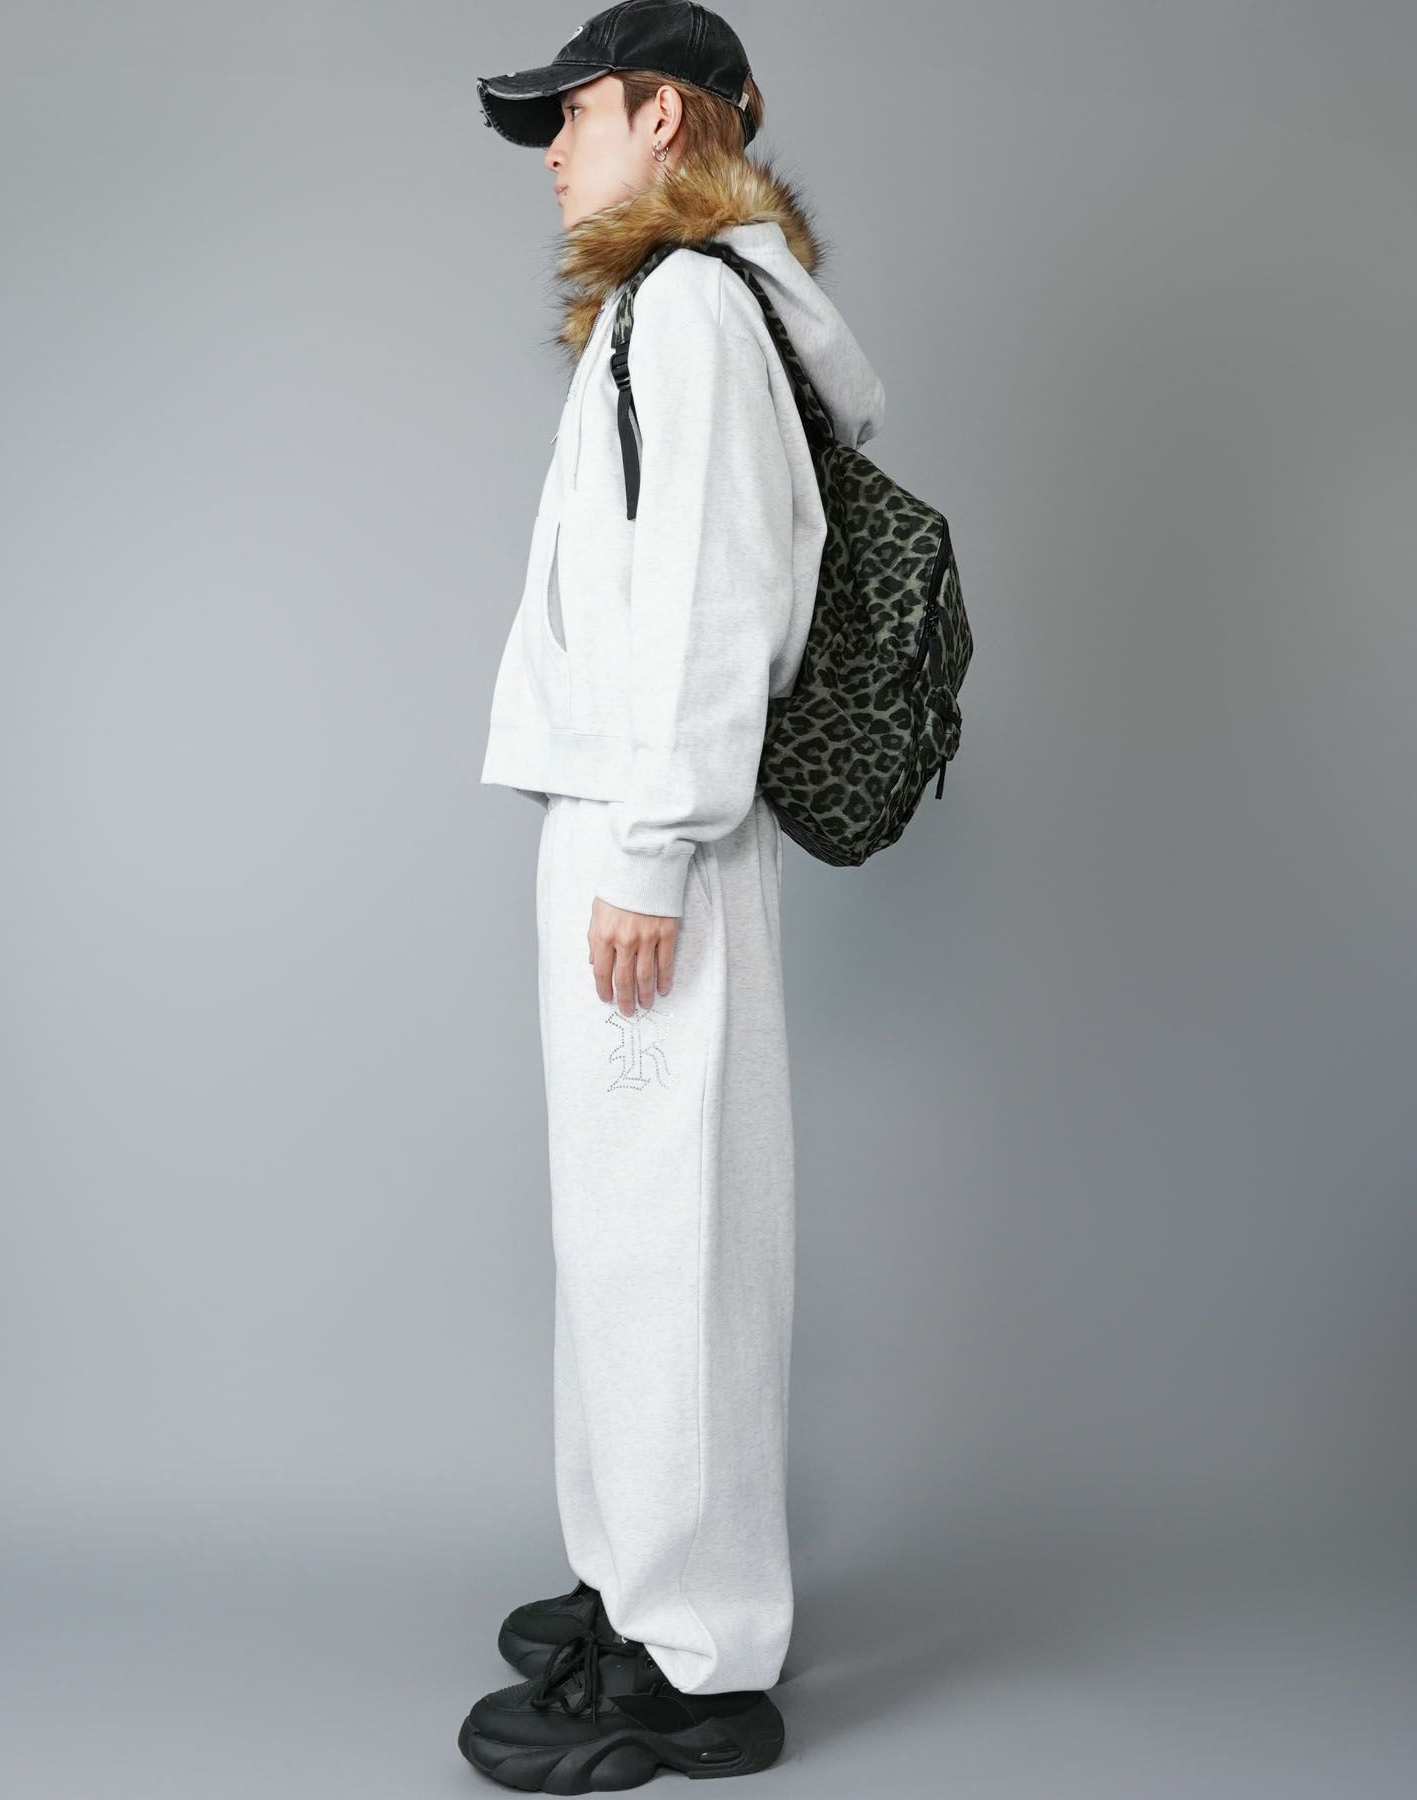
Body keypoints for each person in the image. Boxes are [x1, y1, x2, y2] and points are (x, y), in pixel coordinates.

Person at [460, 3, 886, 1788]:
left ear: (666, 116)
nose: (554, 152)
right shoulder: (667, 307)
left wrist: (649, 843)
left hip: (661, 834)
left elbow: (714, 598)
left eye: (575, 115)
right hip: (627, 813)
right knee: (620, 1232)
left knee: (670, 1243)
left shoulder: (696, 311)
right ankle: (632, 1578)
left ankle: (696, 1655)